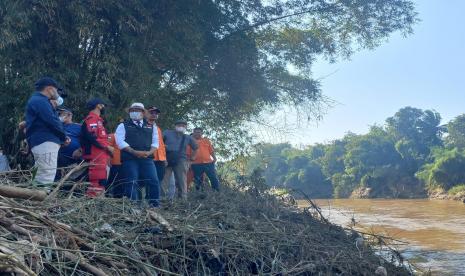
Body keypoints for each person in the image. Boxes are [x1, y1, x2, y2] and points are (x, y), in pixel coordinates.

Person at [25, 77, 69, 186]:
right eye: (56, 90)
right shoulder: (40, 101)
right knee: (46, 175)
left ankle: (32, 199)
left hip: (41, 142)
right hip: (45, 142)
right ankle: (39, 201)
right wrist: (64, 137)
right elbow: (52, 121)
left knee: (39, 173)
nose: (57, 94)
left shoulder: (37, 100)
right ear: (49, 89)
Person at [115, 103, 160, 207]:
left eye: (138, 110)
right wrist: (133, 151)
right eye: (132, 110)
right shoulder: (123, 125)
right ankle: (132, 205)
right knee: (131, 181)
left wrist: (149, 152)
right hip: (129, 158)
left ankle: (154, 205)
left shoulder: (151, 126)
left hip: (147, 158)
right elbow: (120, 141)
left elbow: (155, 143)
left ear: (143, 113)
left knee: (153, 180)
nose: (134, 112)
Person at [80, 98, 113, 197]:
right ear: (99, 105)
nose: (104, 108)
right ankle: (92, 205)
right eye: (103, 105)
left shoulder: (98, 120)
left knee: (102, 181)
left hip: (101, 155)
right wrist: (108, 147)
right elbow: (93, 137)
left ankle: (97, 203)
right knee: (96, 181)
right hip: (95, 155)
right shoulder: (92, 119)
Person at [162, 120, 198, 199]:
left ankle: (182, 200)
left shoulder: (188, 137)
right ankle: (160, 199)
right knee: (164, 179)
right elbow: (159, 143)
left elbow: (196, 148)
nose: (181, 126)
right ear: (175, 126)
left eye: (183, 125)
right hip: (167, 159)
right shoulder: (167, 133)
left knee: (182, 181)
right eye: (179, 125)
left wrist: (191, 160)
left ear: (186, 127)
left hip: (181, 160)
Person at [55, 107, 82, 180]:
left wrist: (80, 150)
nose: (60, 115)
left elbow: (87, 140)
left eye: (63, 113)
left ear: (70, 115)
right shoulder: (57, 126)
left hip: (74, 158)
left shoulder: (78, 127)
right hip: (59, 156)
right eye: (59, 114)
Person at [146, 107, 167, 191]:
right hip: (150, 157)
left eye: (156, 113)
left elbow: (161, 144)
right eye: (152, 113)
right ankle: (148, 199)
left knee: (159, 178)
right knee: (149, 179)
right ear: (146, 114)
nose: (154, 115)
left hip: (160, 158)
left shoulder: (157, 128)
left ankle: (155, 200)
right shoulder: (143, 126)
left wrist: (164, 158)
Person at [107, 132, 124, 198]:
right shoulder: (113, 135)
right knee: (113, 181)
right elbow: (107, 147)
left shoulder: (128, 136)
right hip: (115, 163)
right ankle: (109, 195)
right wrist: (108, 160)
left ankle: (119, 197)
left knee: (120, 182)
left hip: (124, 163)